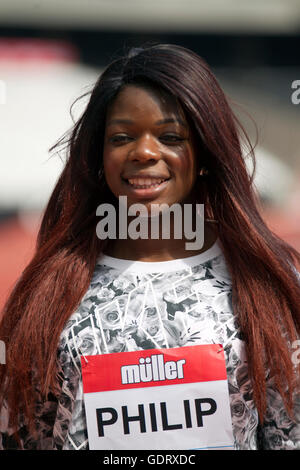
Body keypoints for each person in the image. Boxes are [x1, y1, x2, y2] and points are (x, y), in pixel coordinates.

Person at [0, 43, 300, 450]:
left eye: (170, 136)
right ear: (99, 155)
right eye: (122, 136)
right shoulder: (50, 290)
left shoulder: (267, 283)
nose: (143, 152)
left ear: (206, 150)